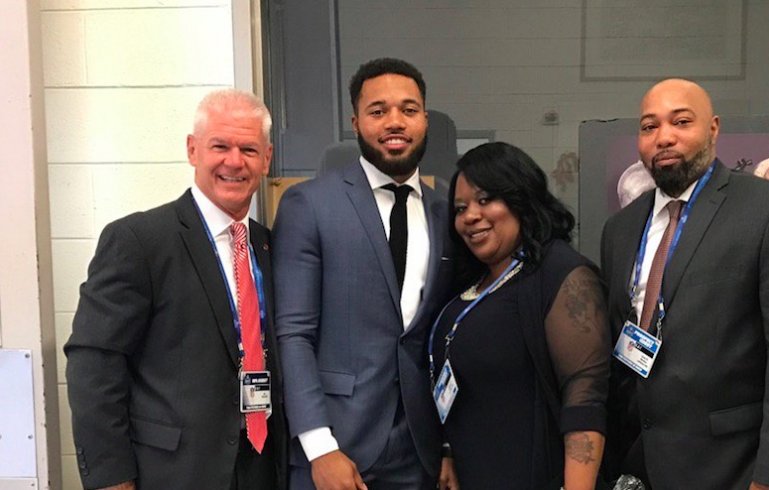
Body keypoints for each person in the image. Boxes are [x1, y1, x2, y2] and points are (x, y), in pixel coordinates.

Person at [599, 78, 769, 489]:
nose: (664, 137)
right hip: (643, 467)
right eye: (649, 126)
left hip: (737, 468)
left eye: (681, 121)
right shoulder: (620, 229)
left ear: (713, 128)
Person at [65, 89, 287, 489]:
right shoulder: (139, 240)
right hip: (171, 473)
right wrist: (111, 479)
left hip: (263, 470)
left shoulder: (271, 247)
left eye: (249, 150)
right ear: (193, 150)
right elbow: (95, 365)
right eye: (220, 146)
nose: (234, 162)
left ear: (266, 159)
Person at [272, 58, 456, 489]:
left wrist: (445, 446)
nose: (395, 122)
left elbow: (443, 336)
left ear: (424, 120)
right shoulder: (309, 205)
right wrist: (320, 446)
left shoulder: (445, 212)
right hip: (336, 448)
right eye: (378, 111)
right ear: (356, 123)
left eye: (409, 110)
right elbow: (293, 334)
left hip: (420, 454)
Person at [430, 141, 609, 489]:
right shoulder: (473, 281)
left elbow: (585, 397)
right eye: (461, 208)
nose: (470, 216)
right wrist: (449, 450)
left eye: (485, 200)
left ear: (521, 198)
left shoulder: (562, 274)